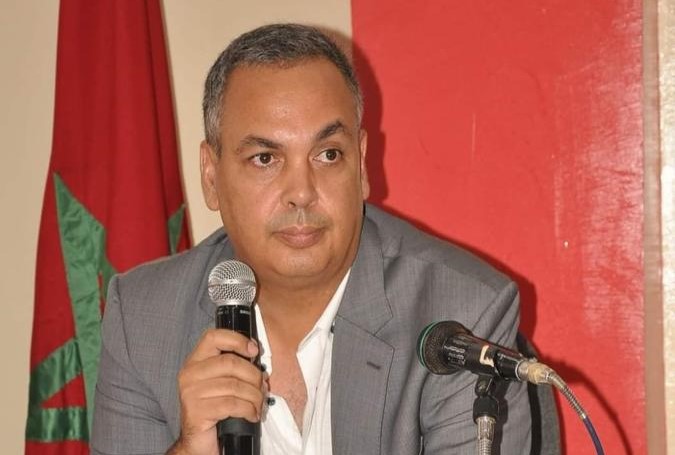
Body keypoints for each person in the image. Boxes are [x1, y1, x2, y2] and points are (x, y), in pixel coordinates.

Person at [91, 23, 531, 454]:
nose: (301, 192)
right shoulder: (143, 320)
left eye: (328, 154)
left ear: (361, 165)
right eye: (265, 158)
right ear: (211, 177)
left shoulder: (459, 316)